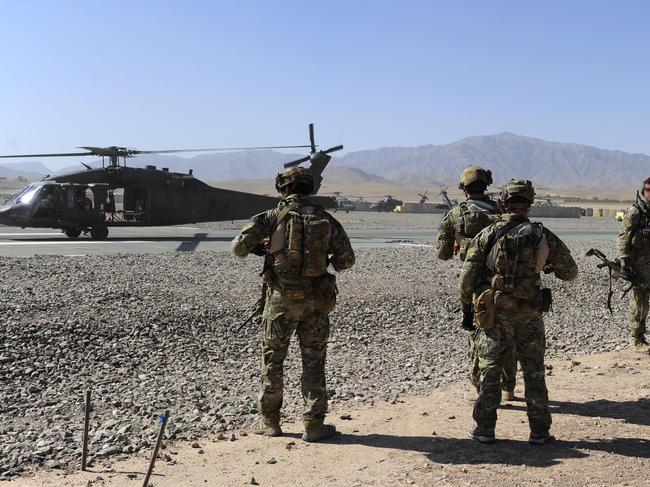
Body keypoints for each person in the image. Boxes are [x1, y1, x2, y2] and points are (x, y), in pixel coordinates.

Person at [231, 166, 355, 442]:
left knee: (273, 363)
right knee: (313, 363)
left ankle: (271, 422)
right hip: (316, 304)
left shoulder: (271, 216)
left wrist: (262, 248)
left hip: (280, 302)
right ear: (309, 188)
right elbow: (347, 260)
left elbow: (238, 248)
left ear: (282, 188)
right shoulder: (327, 219)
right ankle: (313, 427)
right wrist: (323, 263)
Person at [459, 179, 577, 445]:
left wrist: (467, 310)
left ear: (503, 202)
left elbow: (466, 278)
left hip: (494, 314)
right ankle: (539, 432)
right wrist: (546, 267)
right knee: (533, 370)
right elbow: (570, 273)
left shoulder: (488, 234)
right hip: (530, 313)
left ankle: (485, 429)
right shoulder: (542, 235)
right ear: (530, 203)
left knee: (490, 369)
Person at [437, 166, 517, 402]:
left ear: (463, 189)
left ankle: (482, 390)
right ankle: (509, 388)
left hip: (475, 284)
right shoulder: (503, 211)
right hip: (505, 282)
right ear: (486, 186)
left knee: (478, 336)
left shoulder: (455, 215)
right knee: (507, 336)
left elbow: (442, 253)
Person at [618, 177, 650, 353]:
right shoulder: (635, 212)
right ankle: (637, 339)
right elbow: (623, 237)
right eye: (648, 189)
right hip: (639, 266)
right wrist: (624, 262)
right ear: (643, 190)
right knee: (640, 303)